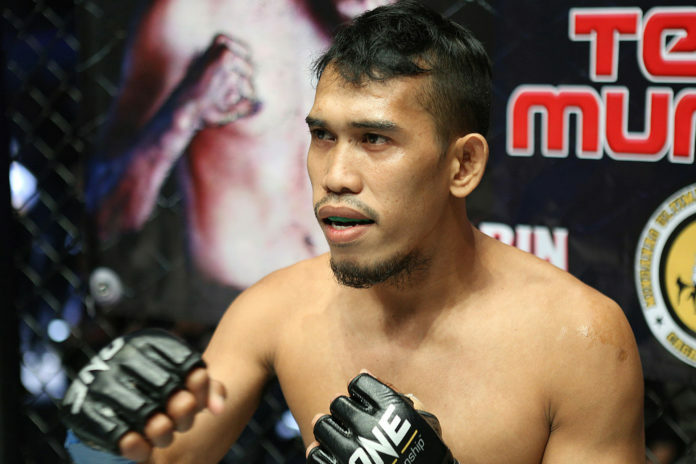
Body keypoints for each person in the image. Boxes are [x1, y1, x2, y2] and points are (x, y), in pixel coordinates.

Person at [64, 2, 646, 463]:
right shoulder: (277, 308)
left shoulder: (578, 340)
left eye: (375, 139)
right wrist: (104, 435)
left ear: (462, 165)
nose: (336, 176)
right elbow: (166, 456)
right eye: (323, 136)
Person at [87, 0, 393, 290]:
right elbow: (107, 214)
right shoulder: (190, 12)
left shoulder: (375, 14)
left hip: (352, 295)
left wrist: (381, 32)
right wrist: (184, 111)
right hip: (234, 302)